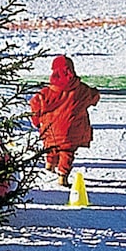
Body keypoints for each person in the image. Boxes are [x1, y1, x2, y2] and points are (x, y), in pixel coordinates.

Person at [29, 55, 100, 187]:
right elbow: (94, 97)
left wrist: (36, 121)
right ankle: (62, 176)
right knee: (67, 153)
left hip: (51, 131)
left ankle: (49, 165)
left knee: (50, 148)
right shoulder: (82, 90)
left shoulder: (47, 93)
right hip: (72, 132)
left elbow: (35, 104)